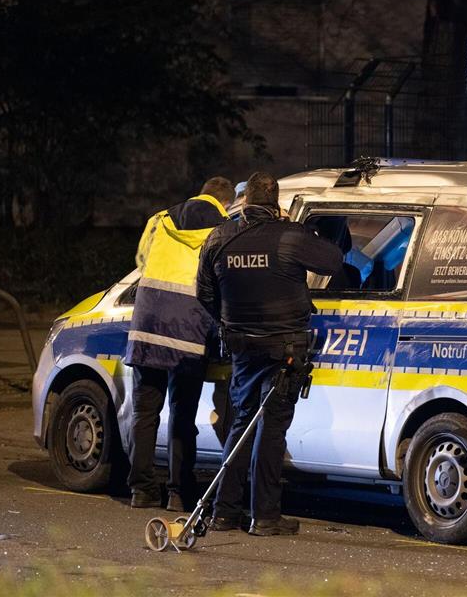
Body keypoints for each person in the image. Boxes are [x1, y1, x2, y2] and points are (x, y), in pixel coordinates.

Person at [196, 172, 344, 536]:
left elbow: (203, 294)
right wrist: (298, 229)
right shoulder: (289, 237)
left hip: (242, 347)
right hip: (284, 349)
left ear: (243, 203)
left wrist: (230, 322)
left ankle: (223, 513)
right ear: (275, 203)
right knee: (272, 429)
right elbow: (334, 261)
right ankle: (264, 516)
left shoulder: (220, 237)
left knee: (241, 424)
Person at [125, 177, 236, 511]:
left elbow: (142, 263)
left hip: (147, 325)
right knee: (182, 415)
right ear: (226, 203)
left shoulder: (159, 220)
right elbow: (221, 281)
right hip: (188, 330)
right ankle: (178, 493)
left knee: (145, 413)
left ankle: (141, 491)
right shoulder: (223, 229)